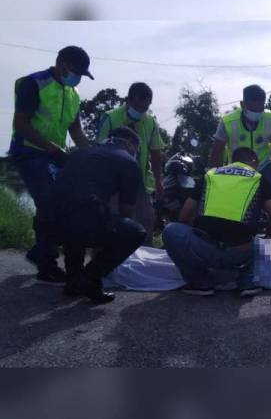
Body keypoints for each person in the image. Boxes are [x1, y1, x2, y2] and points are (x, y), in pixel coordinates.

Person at [162, 147, 271, 297]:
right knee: (258, 241)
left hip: (203, 250)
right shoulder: (258, 178)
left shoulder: (210, 175)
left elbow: (184, 217)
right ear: (254, 161)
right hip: (238, 254)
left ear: (232, 161)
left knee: (171, 230)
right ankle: (247, 282)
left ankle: (200, 282)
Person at [8, 45, 93, 284]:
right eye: (77, 71)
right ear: (62, 63)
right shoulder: (34, 83)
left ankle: (39, 250)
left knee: (69, 202)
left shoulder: (73, 93)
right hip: (30, 152)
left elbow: (75, 129)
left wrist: (91, 155)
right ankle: (46, 264)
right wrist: (52, 149)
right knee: (48, 202)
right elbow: (21, 124)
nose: (79, 78)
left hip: (54, 154)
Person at [49, 127, 147, 303]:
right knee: (134, 232)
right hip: (82, 221)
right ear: (131, 145)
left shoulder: (81, 154)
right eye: (136, 150)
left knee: (79, 213)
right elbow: (126, 211)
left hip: (50, 225)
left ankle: (73, 282)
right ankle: (90, 278)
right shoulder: (128, 162)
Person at [97, 82, 164, 242]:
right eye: (139, 106)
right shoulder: (110, 118)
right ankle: (104, 262)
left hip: (139, 181)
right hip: (112, 183)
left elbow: (156, 153)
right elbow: (99, 150)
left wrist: (159, 181)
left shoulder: (151, 122)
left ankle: (142, 260)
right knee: (110, 224)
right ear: (129, 100)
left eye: (146, 107)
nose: (142, 111)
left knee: (146, 222)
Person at [208, 84, 271, 197]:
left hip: (263, 166)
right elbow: (217, 151)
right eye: (252, 110)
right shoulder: (228, 121)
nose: (256, 114)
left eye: (260, 110)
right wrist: (213, 175)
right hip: (236, 168)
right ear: (242, 104)